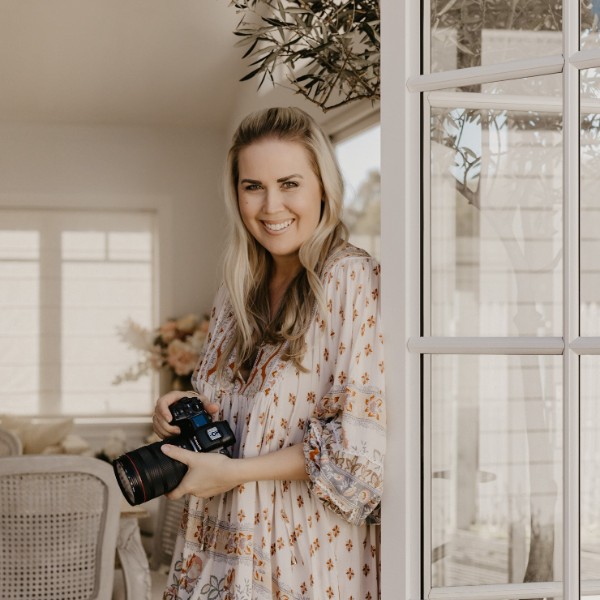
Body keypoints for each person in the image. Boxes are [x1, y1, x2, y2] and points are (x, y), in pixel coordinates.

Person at [152, 106, 385, 600]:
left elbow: (358, 448)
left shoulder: (350, 278)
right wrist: (182, 410)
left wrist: (235, 473)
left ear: (323, 187)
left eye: (289, 183)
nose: (270, 205)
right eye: (253, 186)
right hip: (216, 543)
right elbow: (238, 419)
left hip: (302, 554)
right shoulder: (235, 292)